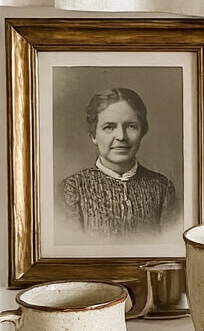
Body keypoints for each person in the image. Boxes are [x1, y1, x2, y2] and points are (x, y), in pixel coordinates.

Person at [59, 87, 177, 240]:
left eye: (130, 126)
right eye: (109, 127)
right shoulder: (73, 189)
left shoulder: (162, 188)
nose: (121, 136)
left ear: (142, 131)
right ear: (93, 135)